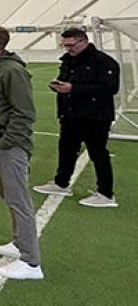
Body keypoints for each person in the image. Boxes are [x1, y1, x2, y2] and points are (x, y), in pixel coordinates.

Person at [0, 24, 43, 280]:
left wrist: (6, 142)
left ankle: (31, 262)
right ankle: (19, 243)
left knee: (18, 199)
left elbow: (24, 112)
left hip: (8, 146)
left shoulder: (12, 71)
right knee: (7, 195)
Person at [34, 28, 120, 207]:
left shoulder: (104, 62)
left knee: (98, 153)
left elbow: (109, 88)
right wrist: (58, 85)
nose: (67, 49)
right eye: (64, 45)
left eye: (71, 45)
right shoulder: (68, 60)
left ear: (83, 41)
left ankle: (106, 193)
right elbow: (66, 79)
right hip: (70, 114)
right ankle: (61, 183)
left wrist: (73, 88)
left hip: (95, 116)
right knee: (66, 149)